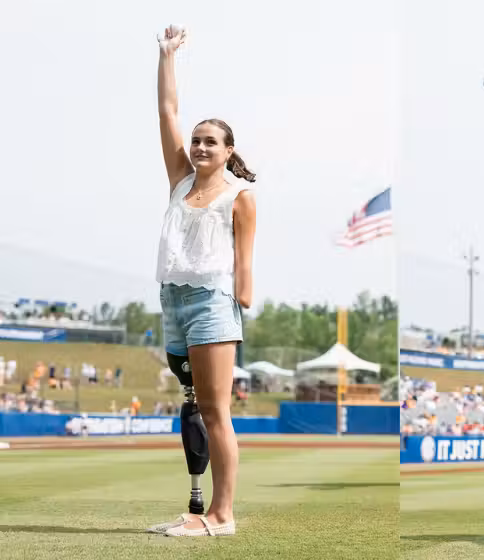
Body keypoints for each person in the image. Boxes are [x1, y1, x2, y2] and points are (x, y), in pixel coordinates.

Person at [148, 25, 257, 538]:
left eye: (209, 141)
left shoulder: (239, 195)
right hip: (173, 301)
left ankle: (222, 515)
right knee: (194, 407)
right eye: (195, 140)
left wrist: (241, 306)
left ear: (229, 148)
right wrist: (168, 56)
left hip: (212, 304)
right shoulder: (181, 180)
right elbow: (168, 112)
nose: (198, 147)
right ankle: (197, 509)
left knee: (216, 412)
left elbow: (246, 264)